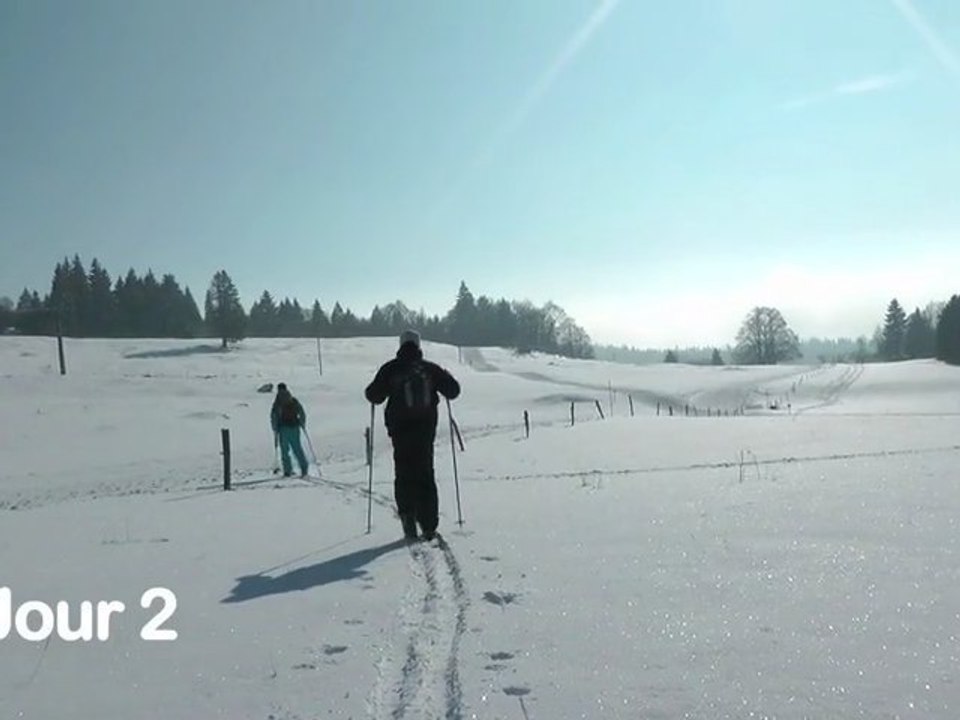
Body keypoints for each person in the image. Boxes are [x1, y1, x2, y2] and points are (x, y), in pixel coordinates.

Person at [365, 330, 460, 541]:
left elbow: (373, 395)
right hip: (425, 432)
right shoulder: (429, 369)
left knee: (403, 473)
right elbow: (453, 391)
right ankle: (429, 525)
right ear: (418, 346)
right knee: (426, 473)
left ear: (400, 345)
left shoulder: (391, 368)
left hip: (400, 432)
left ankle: (408, 516)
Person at [271, 382, 309, 477]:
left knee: (284, 451)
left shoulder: (277, 402)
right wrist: (302, 423)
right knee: (297, 449)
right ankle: (304, 467)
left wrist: (275, 428)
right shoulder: (292, 400)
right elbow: (301, 412)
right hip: (295, 427)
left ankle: (287, 470)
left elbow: (274, 416)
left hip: (283, 429)